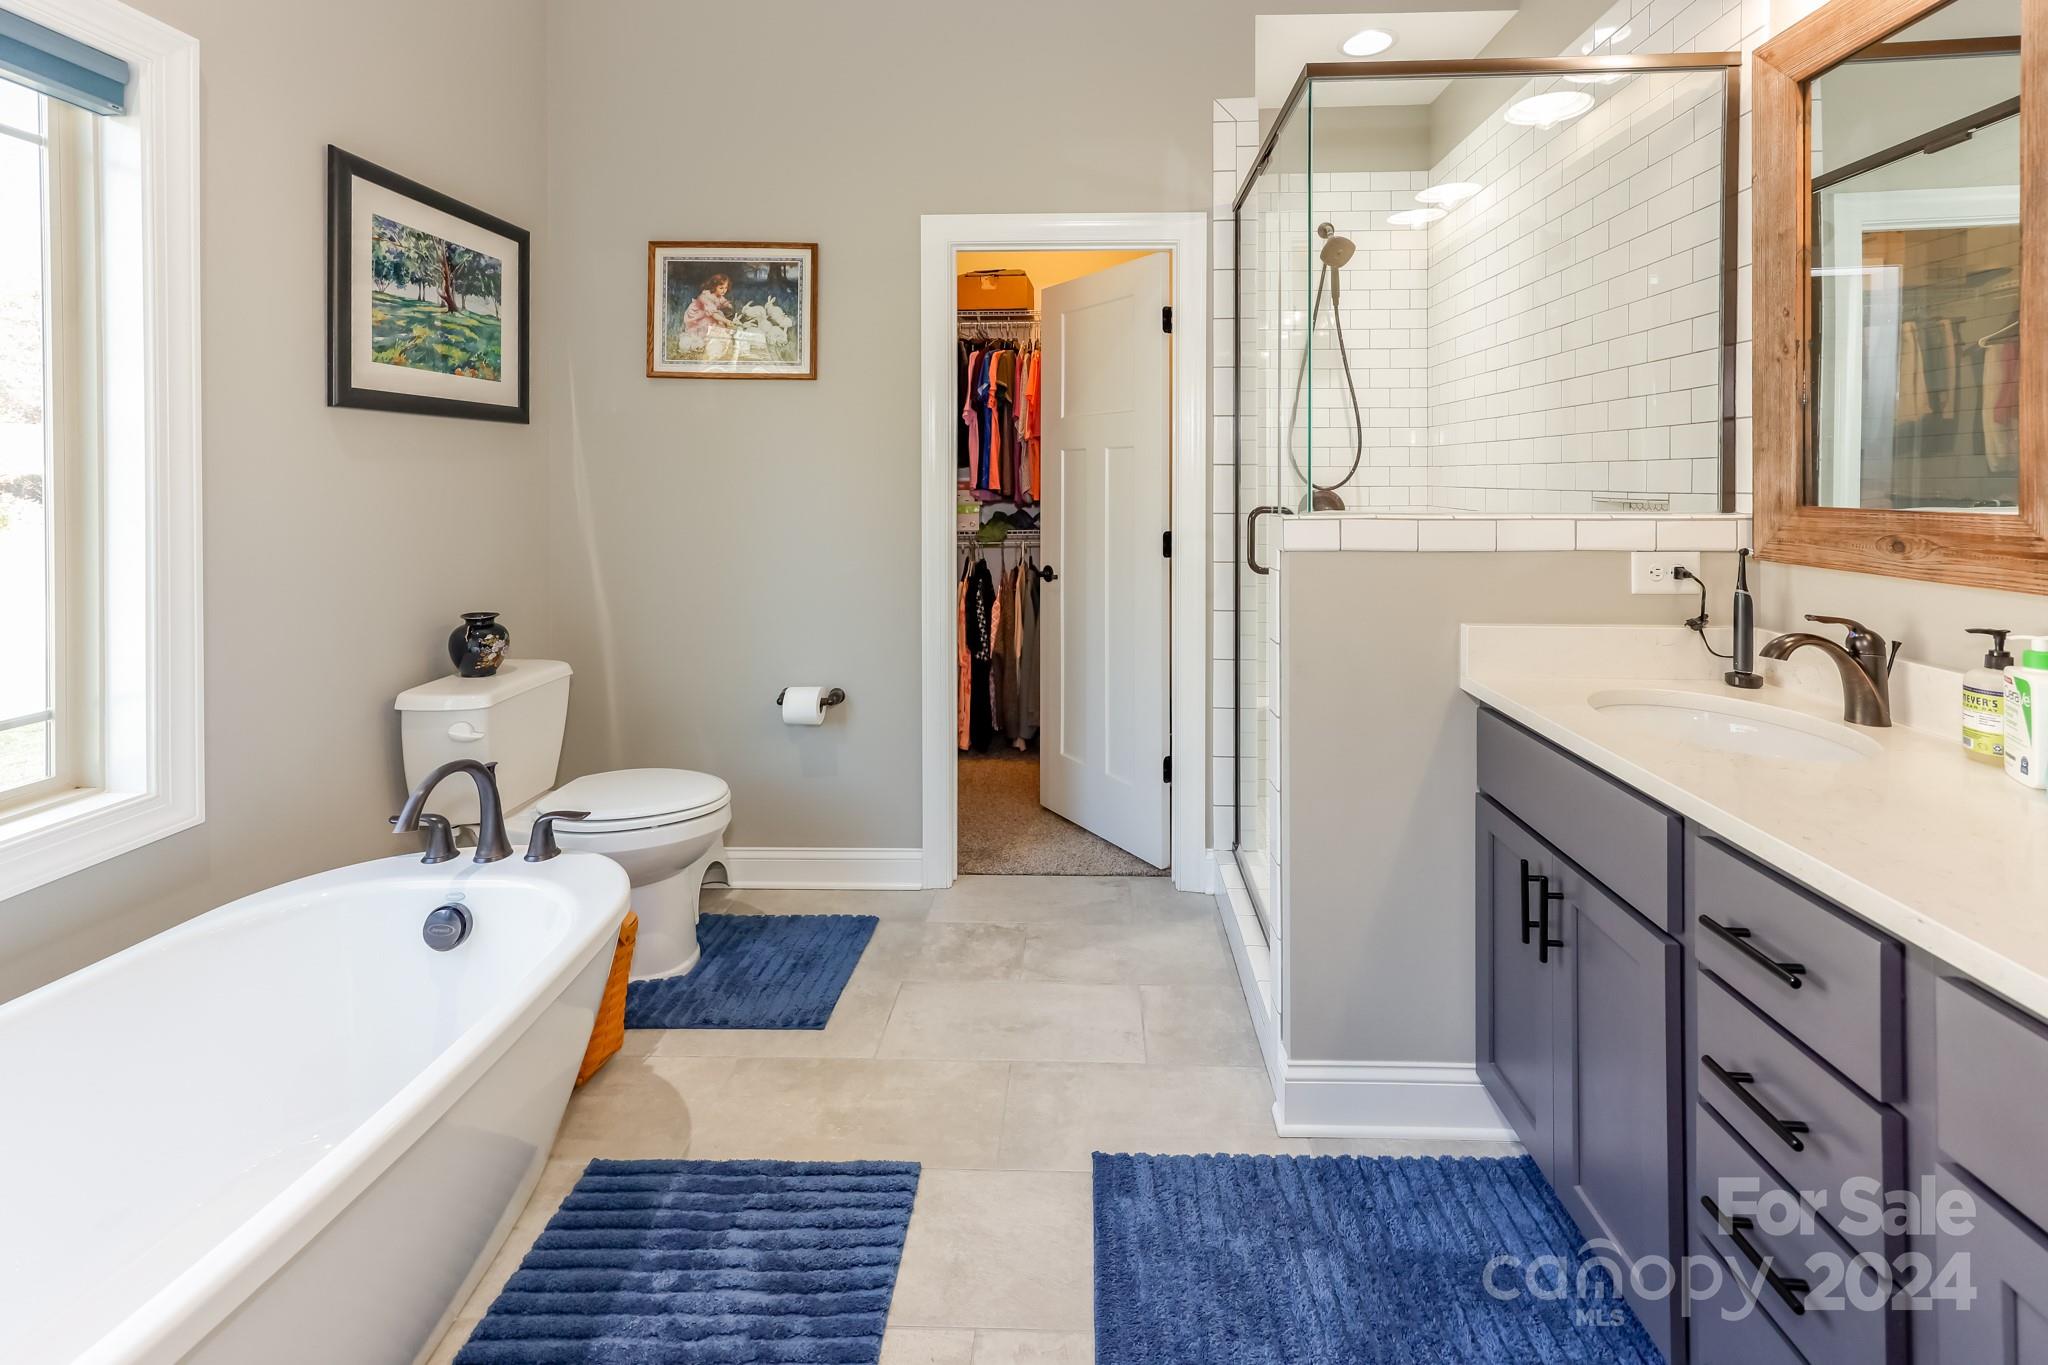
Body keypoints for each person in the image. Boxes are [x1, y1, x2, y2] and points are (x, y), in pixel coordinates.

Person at [683, 273, 736, 337]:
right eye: (721, 288)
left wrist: (729, 306)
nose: (724, 290)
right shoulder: (706, 297)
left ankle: (721, 333)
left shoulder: (719, 296)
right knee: (715, 321)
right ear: (714, 287)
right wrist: (726, 321)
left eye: (726, 288)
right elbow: (713, 314)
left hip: (708, 313)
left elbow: (723, 302)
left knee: (720, 317)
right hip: (698, 316)